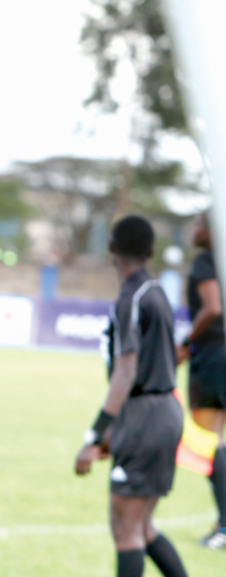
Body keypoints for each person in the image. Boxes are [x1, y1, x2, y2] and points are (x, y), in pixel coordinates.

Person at [75, 215, 188, 577]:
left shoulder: (131, 298)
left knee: (126, 529)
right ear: (151, 251)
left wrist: (95, 434)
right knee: (142, 526)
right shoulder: (156, 292)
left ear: (111, 248)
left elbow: (126, 373)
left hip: (144, 415)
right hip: (164, 410)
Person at [176, 210, 226, 549]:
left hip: (214, 357)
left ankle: (224, 527)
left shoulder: (208, 260)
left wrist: (185, 342)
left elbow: (213, 308)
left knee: (215, 442)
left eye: (197, 223)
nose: (193, 229)